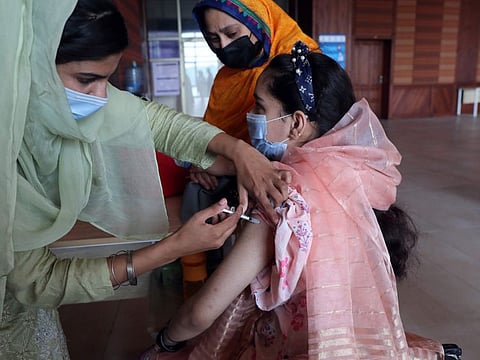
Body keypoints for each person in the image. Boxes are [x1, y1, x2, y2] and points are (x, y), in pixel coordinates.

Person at [0, 1, 290, 358]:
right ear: (31, 63)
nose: (102, 97)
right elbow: (35, 282)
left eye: (108, 79)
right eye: (87, 80)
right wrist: (173, 248)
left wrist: (238, 151)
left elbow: (156, 122)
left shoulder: (44, 97)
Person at [140, 42, 445, 359]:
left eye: (259, 107)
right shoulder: (357, 173)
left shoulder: (281, 192)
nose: (250, 116)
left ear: (297, 123)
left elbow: (202, 312)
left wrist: (164, 343)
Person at [192, 0, 319, 143]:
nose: (223, 45)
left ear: (257, 22)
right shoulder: (224, 77)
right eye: (213, 38)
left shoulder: (301, 65)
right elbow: (210, 136)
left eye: (232, 33)